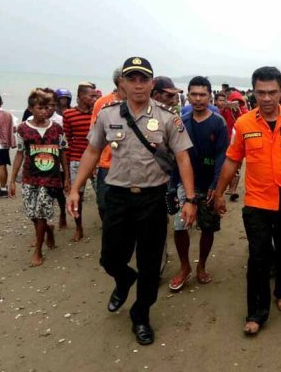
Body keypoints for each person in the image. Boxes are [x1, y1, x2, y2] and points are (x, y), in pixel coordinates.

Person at [67, 57, 197, 345]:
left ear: (151, 83)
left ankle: (141, 315)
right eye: (132, 79)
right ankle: (124, 279)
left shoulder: (167, 118)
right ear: (122, 83)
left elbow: (182, 158)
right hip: (117, 197)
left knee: (150, 265)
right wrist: (75, 188)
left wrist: (190, 198)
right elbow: (91, 151)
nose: (138, 85)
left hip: (153, 198)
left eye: (143, 79)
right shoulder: (107, 114)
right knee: (110, 258)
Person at [213, 66, 281, 335]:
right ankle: (256, 313)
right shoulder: (244, 124)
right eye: (261, 92)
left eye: (272, 92)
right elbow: (231, 160)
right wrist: (218, 194)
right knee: (258, 256)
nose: (267, 98)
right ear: (254, 92)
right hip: (258, 201)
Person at [168, 76, 229, 290]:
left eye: (202, 94)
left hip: (209, 183)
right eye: (193, 94)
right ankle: (184, 267)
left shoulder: (218, 123)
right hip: (186, 184)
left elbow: (222, 155)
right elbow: (176, 155)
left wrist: (216, 185)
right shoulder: (181, 123)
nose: (198, 99)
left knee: (208, 227)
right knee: (180, 226)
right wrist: (173, 186)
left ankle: (201, 265)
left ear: (210, 96)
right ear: (188, 96)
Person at [9, 88, 69, 267]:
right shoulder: (23, 129)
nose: (44, 111)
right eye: (39, 108)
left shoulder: (57, 129)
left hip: (50, 178)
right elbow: (20, 153)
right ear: (31, 108)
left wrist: (66, 177)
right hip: (30, 177)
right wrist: (12, 180)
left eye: (46, 108)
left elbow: (63, 153)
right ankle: (48, 230)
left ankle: (38, 250)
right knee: (31, 213)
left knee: (41, 212)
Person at [62, 82, 97, 242]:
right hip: (77, 159)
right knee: (78, 196)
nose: (94, 98)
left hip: (97, 161)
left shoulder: (97, 113)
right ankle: (79, 227)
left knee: (103, 196)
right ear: (81, 96)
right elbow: (67, 142)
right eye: (91, 95)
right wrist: (67, 175)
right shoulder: (69, 115)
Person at [91, 68, 126, 221]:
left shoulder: (140, 102)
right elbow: (94, 136)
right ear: (120, 81)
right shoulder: (102, 103)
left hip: (131, 164)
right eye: (130, 78)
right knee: (104, 203)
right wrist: (93, 164)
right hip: (107, 163)